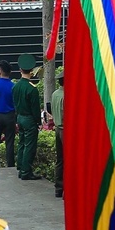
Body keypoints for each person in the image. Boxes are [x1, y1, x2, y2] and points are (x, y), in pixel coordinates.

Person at [13, 54, 42, 180]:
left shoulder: (15, 87)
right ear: (32, 71)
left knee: (21, 143)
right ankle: (26, 172)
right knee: (29, 146)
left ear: (20, 70)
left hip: (19, 117)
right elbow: (35, 109)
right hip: (29, 119)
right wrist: (39, 122)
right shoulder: (32, 89)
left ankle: (20, 167)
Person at [51, 67, 65, 198]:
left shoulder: (55, 94)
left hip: (57, 128)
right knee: (69, 160)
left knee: (59, 160)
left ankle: (58, 188)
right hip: (65, 130)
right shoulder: (67, 96)